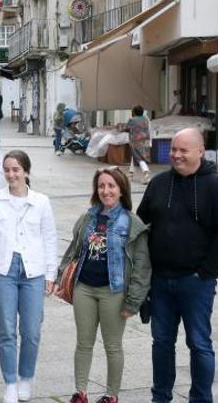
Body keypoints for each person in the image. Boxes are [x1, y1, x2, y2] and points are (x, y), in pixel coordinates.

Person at [136, 128, 218, 403]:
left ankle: (201, 399)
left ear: (200, 151)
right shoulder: (158, 184)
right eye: (173, 150)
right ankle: (161, 397)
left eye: (183, 150)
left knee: (200, 344)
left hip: (197, 283)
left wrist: (205, 272)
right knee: (162, 344)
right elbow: (141, 224)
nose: (176, 155)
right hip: (160, 282)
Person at [59, 167, 151, 403]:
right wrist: (60, 277)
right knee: (83, 343)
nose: (106, 191)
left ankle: (111, 395)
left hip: (114, 291)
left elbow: (141, 266)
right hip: (84, 289)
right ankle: (80, 393)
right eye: (101, 186)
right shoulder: (87, 218)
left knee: (112, 345)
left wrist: (133, 301)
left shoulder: (132, 222)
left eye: (111, 186)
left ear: (121, 190)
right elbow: (74, 251)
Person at [0, 150, 58, 403]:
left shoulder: (41, 201)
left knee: (32, 330)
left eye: (16, 169)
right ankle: (10, 381)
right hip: (4, 270)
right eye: (7, 170)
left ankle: (26, 377)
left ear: (26, 172)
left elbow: (50, 238)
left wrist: (51, 273)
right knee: (6, 329)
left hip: (33, 270)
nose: (11, 174)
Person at [124, 106, 151, 184]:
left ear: (134, 112)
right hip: (145, 141)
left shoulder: (132, 120)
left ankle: (146, 173)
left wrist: (121, 129)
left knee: (139, 158)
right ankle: (131, 174)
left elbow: (126, 128)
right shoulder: (146, 119)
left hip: (136, 142)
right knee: (135, 156)